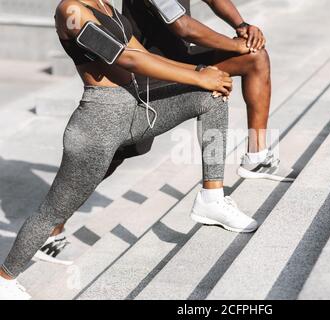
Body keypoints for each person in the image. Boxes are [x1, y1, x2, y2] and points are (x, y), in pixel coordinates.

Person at [0, 0, 257, 300]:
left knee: (210, 97)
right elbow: (126, 59)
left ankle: (212, 197)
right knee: (53, 211)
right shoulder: (70, 12)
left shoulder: (108, 8)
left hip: (135, 113)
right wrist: (197, 75)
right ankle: (5, 277)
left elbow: (143, 55)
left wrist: (202, 72)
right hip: (98, 125)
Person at [122, 0, 294, 182]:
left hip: (181, 58)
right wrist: (235, 45)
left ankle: (257, 157)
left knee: (256, 58)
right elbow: (183, 26)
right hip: (152, 71)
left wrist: (242, 26)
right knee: (110, 159)